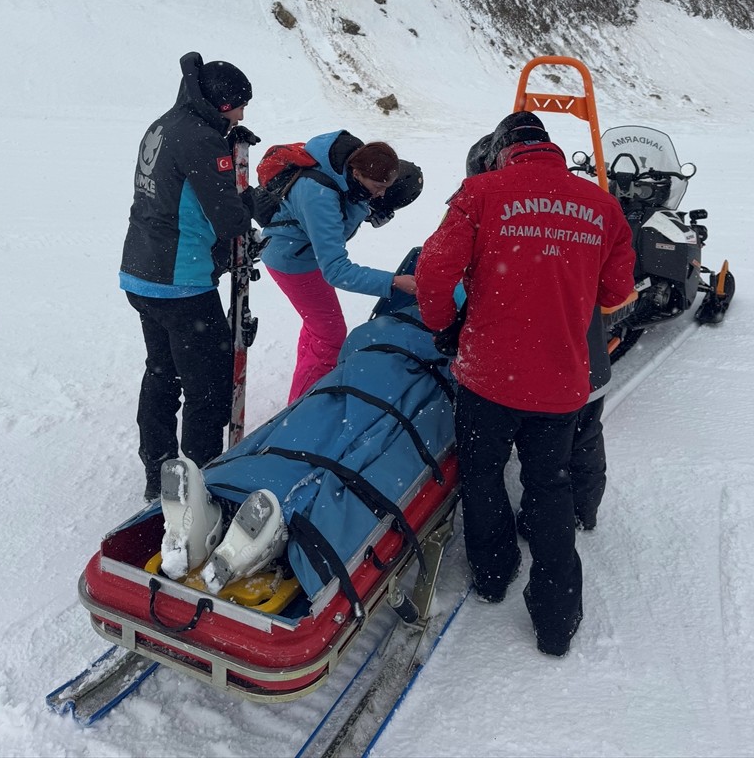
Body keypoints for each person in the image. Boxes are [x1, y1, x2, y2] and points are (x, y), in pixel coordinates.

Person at [415, 111, 635, 657]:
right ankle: (557, 618)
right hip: (561, 383)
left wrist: (444, 325)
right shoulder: (601, 205)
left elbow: (433, 271)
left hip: (487, 379)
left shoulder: (479, 194)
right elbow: (617, 292)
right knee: (550, 485)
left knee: (483, 476)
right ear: (549, 147)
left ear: (501, 151)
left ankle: (493, 576)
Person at [465, 131, 622, 538]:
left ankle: (561, 516)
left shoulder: (492, 199)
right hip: (579, 354)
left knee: (559, 448)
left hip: (548, 356)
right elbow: (614, 289)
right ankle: (578, 511)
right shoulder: (589, 204)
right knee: (580, 439)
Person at [120, 52, 259, 501]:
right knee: (209, 385)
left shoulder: (165, 123)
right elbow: (228, 217)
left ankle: (157, 470)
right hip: (179, 282)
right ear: (221, 104)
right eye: (238, 107)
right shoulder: (200, 138)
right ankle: (200, 483)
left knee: (162, 372)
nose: (241, 116)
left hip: (141, 271)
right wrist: (253, 203)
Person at [261, 132, 418, 403]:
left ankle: (303, 386)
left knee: (318, 329)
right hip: (293, 261)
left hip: (306, 254)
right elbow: (336, 269)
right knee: (330, 338)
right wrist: (393, 282)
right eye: (378, 186)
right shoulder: (318, 194)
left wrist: (365, 205)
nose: (381, 194)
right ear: (357, 173)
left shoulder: (346, 169)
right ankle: (301, 410)